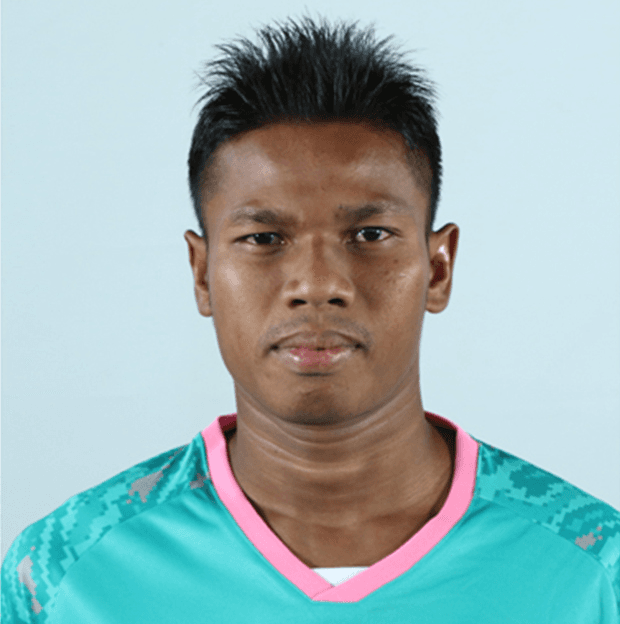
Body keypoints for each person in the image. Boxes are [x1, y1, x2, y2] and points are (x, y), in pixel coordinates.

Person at [2, 14, 619, 623]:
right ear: (202, 273)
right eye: (264, 238)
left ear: (437, 269)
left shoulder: (596, 571)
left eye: (369, 234)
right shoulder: (63, 576)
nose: (318, 285)